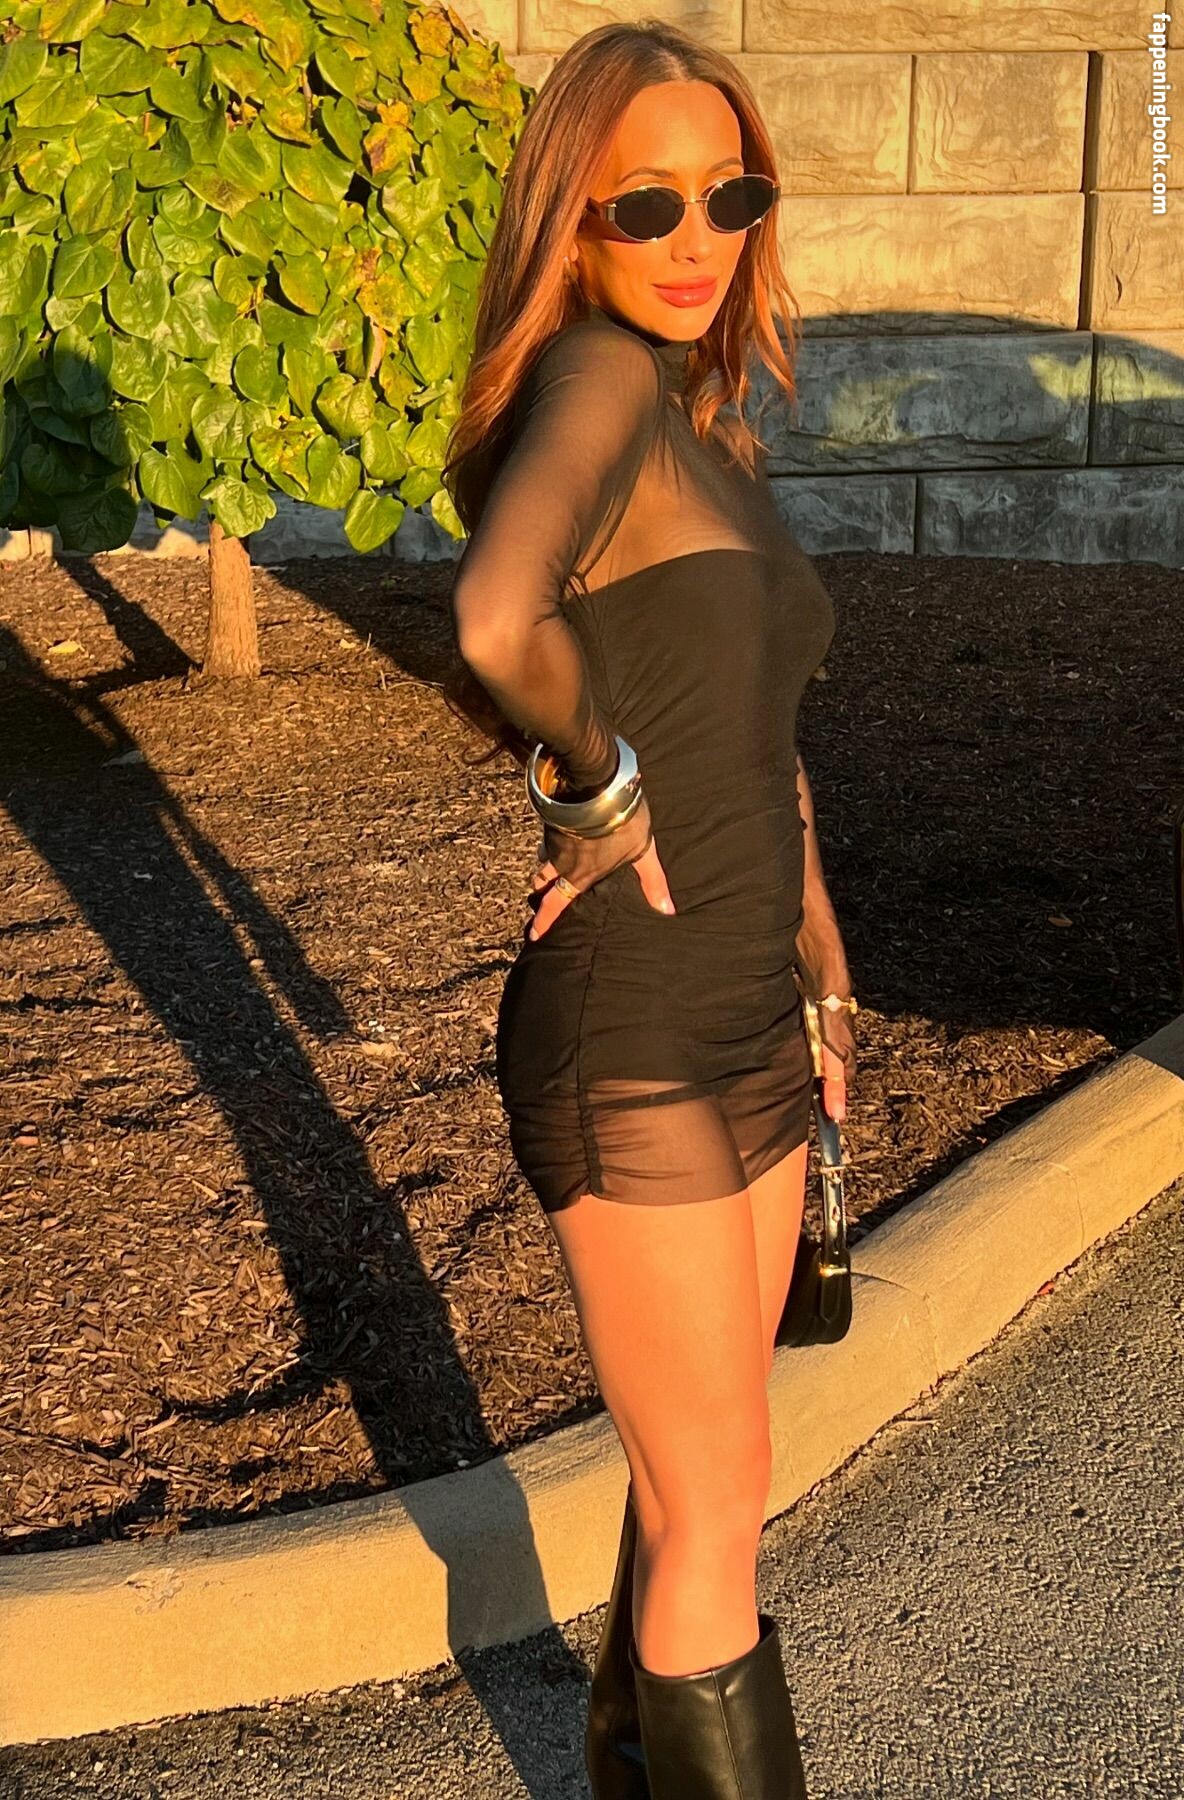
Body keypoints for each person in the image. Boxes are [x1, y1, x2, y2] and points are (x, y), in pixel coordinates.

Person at [440, 19, 858, 1799]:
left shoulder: (699, 429)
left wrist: (820, 954)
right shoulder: (599, 379)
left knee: (695, 1476)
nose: (698, 238)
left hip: (746, 1005)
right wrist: (597, 784)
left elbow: (759, 735)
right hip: (636, 1024)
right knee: (721, 1507)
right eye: (648, 205)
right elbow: (496, 617)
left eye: (731, 197)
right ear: (574, 222)